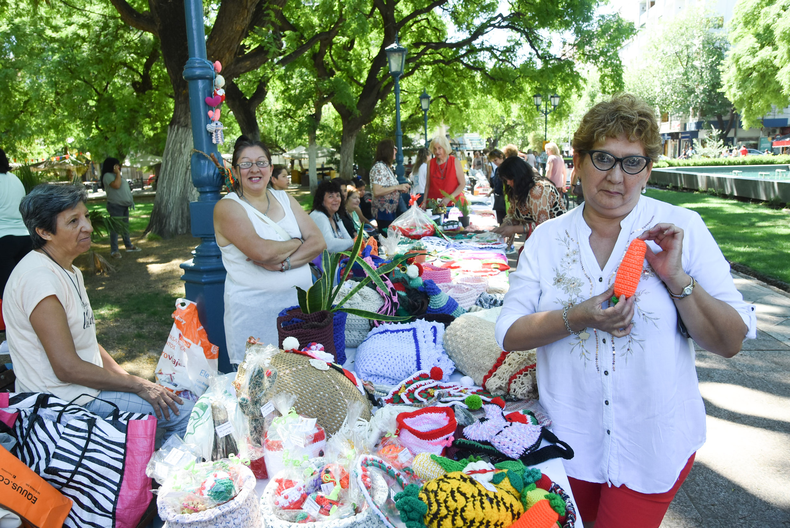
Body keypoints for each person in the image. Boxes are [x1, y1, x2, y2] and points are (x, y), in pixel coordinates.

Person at [495, 93, 756, 528]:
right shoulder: (546, 239)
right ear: (577, 161)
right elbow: (508, 331)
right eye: (604, 159)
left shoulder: (681, 228)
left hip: (651, 446)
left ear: (648, 169)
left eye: (632, 162)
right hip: (568, 441)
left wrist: (677, 279)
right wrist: (575, 317)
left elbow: (730, 342)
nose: (617, 177)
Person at [3, 184, 194, 440]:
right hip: (64, 405)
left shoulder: (68, 269)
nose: (88, 227)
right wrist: (137, 384)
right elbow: (67, 369)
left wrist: (132, 380)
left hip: (82, 392)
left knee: (173, 402)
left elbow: (88, 343)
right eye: (73, 221)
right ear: (44, 231)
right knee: (187, 414)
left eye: (86, 216)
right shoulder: (39, 278)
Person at [213, 136, 325, 364]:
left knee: (303, 386)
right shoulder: (227, 207)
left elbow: (318, 242)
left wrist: (285, 264)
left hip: (299, 315)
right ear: (235, 171)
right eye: (245, 163)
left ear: (271, 168)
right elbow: (262, 252)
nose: (254, 169)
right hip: (255, 319)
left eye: (261, 162)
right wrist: (296, 242)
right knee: (261, 392)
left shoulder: (285, 199)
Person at [492, 156, 565, 244]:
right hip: (540, 240)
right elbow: (512, 214)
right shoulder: (519, 189)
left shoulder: (539, 189)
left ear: (517, 176)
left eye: (509, 179)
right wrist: (502, 228)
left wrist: (514, 229)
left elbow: (543, 225)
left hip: (556, 240)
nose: (507, 182)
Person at [1, 148, 33, 299]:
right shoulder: (15, 179)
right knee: (24, 289)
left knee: (7, 293)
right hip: (25, 238)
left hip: (3, 240)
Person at [101, 157, 140, 258]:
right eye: (116, 165)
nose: (119, 167)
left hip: (124, 205)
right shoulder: (107, 176)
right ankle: (114, 250)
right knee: (115, 228)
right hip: (115, 205)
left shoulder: (117, 175)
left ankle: (128, 245)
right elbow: (116, 185)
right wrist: (118, 173)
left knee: (125, 227)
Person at [370, 139, 410, 231]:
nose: (396, 150)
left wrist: (400, 188)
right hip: (384, 213)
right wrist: (397, 187)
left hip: (390, 212)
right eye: (394, 148)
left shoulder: (385, 167)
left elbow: (388, 187)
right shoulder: (379, 167)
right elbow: (377, 191)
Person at [310, 180, 354, 253]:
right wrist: (354, 241)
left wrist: (351, 242)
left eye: (338, 196)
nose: (336, 200)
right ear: (321, 200)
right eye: (330, 196)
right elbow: (329, 245)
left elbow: (347, 238)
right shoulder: (319, 216)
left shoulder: (335, 215)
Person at [423, 133, 465, 208]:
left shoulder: (454, 161)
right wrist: (424, 202)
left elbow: (462, 184)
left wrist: (449, 198)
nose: (437, 151)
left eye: (439, 148)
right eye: (435, 149)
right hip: (434, 205)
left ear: (445, 147)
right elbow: (427, 185)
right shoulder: (430, 163)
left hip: (453, 205)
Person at [487, 149, 507, 224]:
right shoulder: (497, 169)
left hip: (506, 200)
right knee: (500, 221)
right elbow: (497, 185)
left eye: (496, 160)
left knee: (506, 221)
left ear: (501, 156)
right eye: (493, 161)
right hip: (499, 199)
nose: (495, 163)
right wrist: (491, 192)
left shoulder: (507, 168)